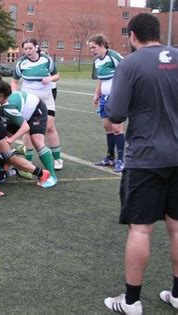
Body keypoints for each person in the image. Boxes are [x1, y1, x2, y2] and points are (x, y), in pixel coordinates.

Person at [103, 13, 178, 314]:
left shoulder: (130, 63)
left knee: (140, 229)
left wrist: (113, 117)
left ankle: (132, 301)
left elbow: (116, 113)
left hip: (146, 157)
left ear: (132, 35)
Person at [11, 38, 63, 171]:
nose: (27, 51)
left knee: (50, 126)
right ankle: (28, 159)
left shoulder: (46, 59)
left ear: (36, 47)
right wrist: (14, 94)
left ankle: (57, 158)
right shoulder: (21, 63)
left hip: (46, 96)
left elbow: (57, 75)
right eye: (25, 49)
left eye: (30, 48)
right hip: (29, 99)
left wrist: (50, 78)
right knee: (27, 129)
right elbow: (14, 82)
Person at [2, 90, 58, 188]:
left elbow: (25, 127)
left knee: (37, 141)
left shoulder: (7, 108)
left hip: (35, 110)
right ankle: (3, 169)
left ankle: (52, 176)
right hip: (19, 111)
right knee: (3, 141)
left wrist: (11, 139)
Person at [88, 34, 126, 173]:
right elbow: (100, 79)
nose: (92, 50)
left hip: (117, 97)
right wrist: (97, 94)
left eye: (94, 47)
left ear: (102, 45)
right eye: (90, 48)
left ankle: (121, 160)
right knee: (107, 127)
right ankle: (110, 157)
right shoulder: (97, 60)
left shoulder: (113, 56)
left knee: (117, 128)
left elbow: (127, 71)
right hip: (104, 98)